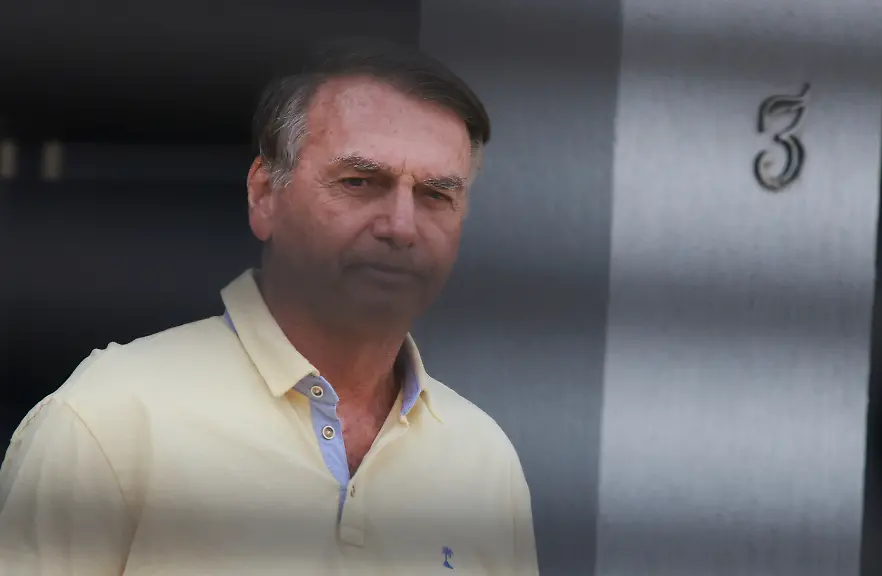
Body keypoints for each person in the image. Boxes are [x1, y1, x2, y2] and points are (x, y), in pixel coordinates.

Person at [0, 38, 538, 575]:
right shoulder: (109, 417)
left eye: (436, 195)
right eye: (359, 182)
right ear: (264, 195)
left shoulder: (483, 461)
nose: (401, 226)